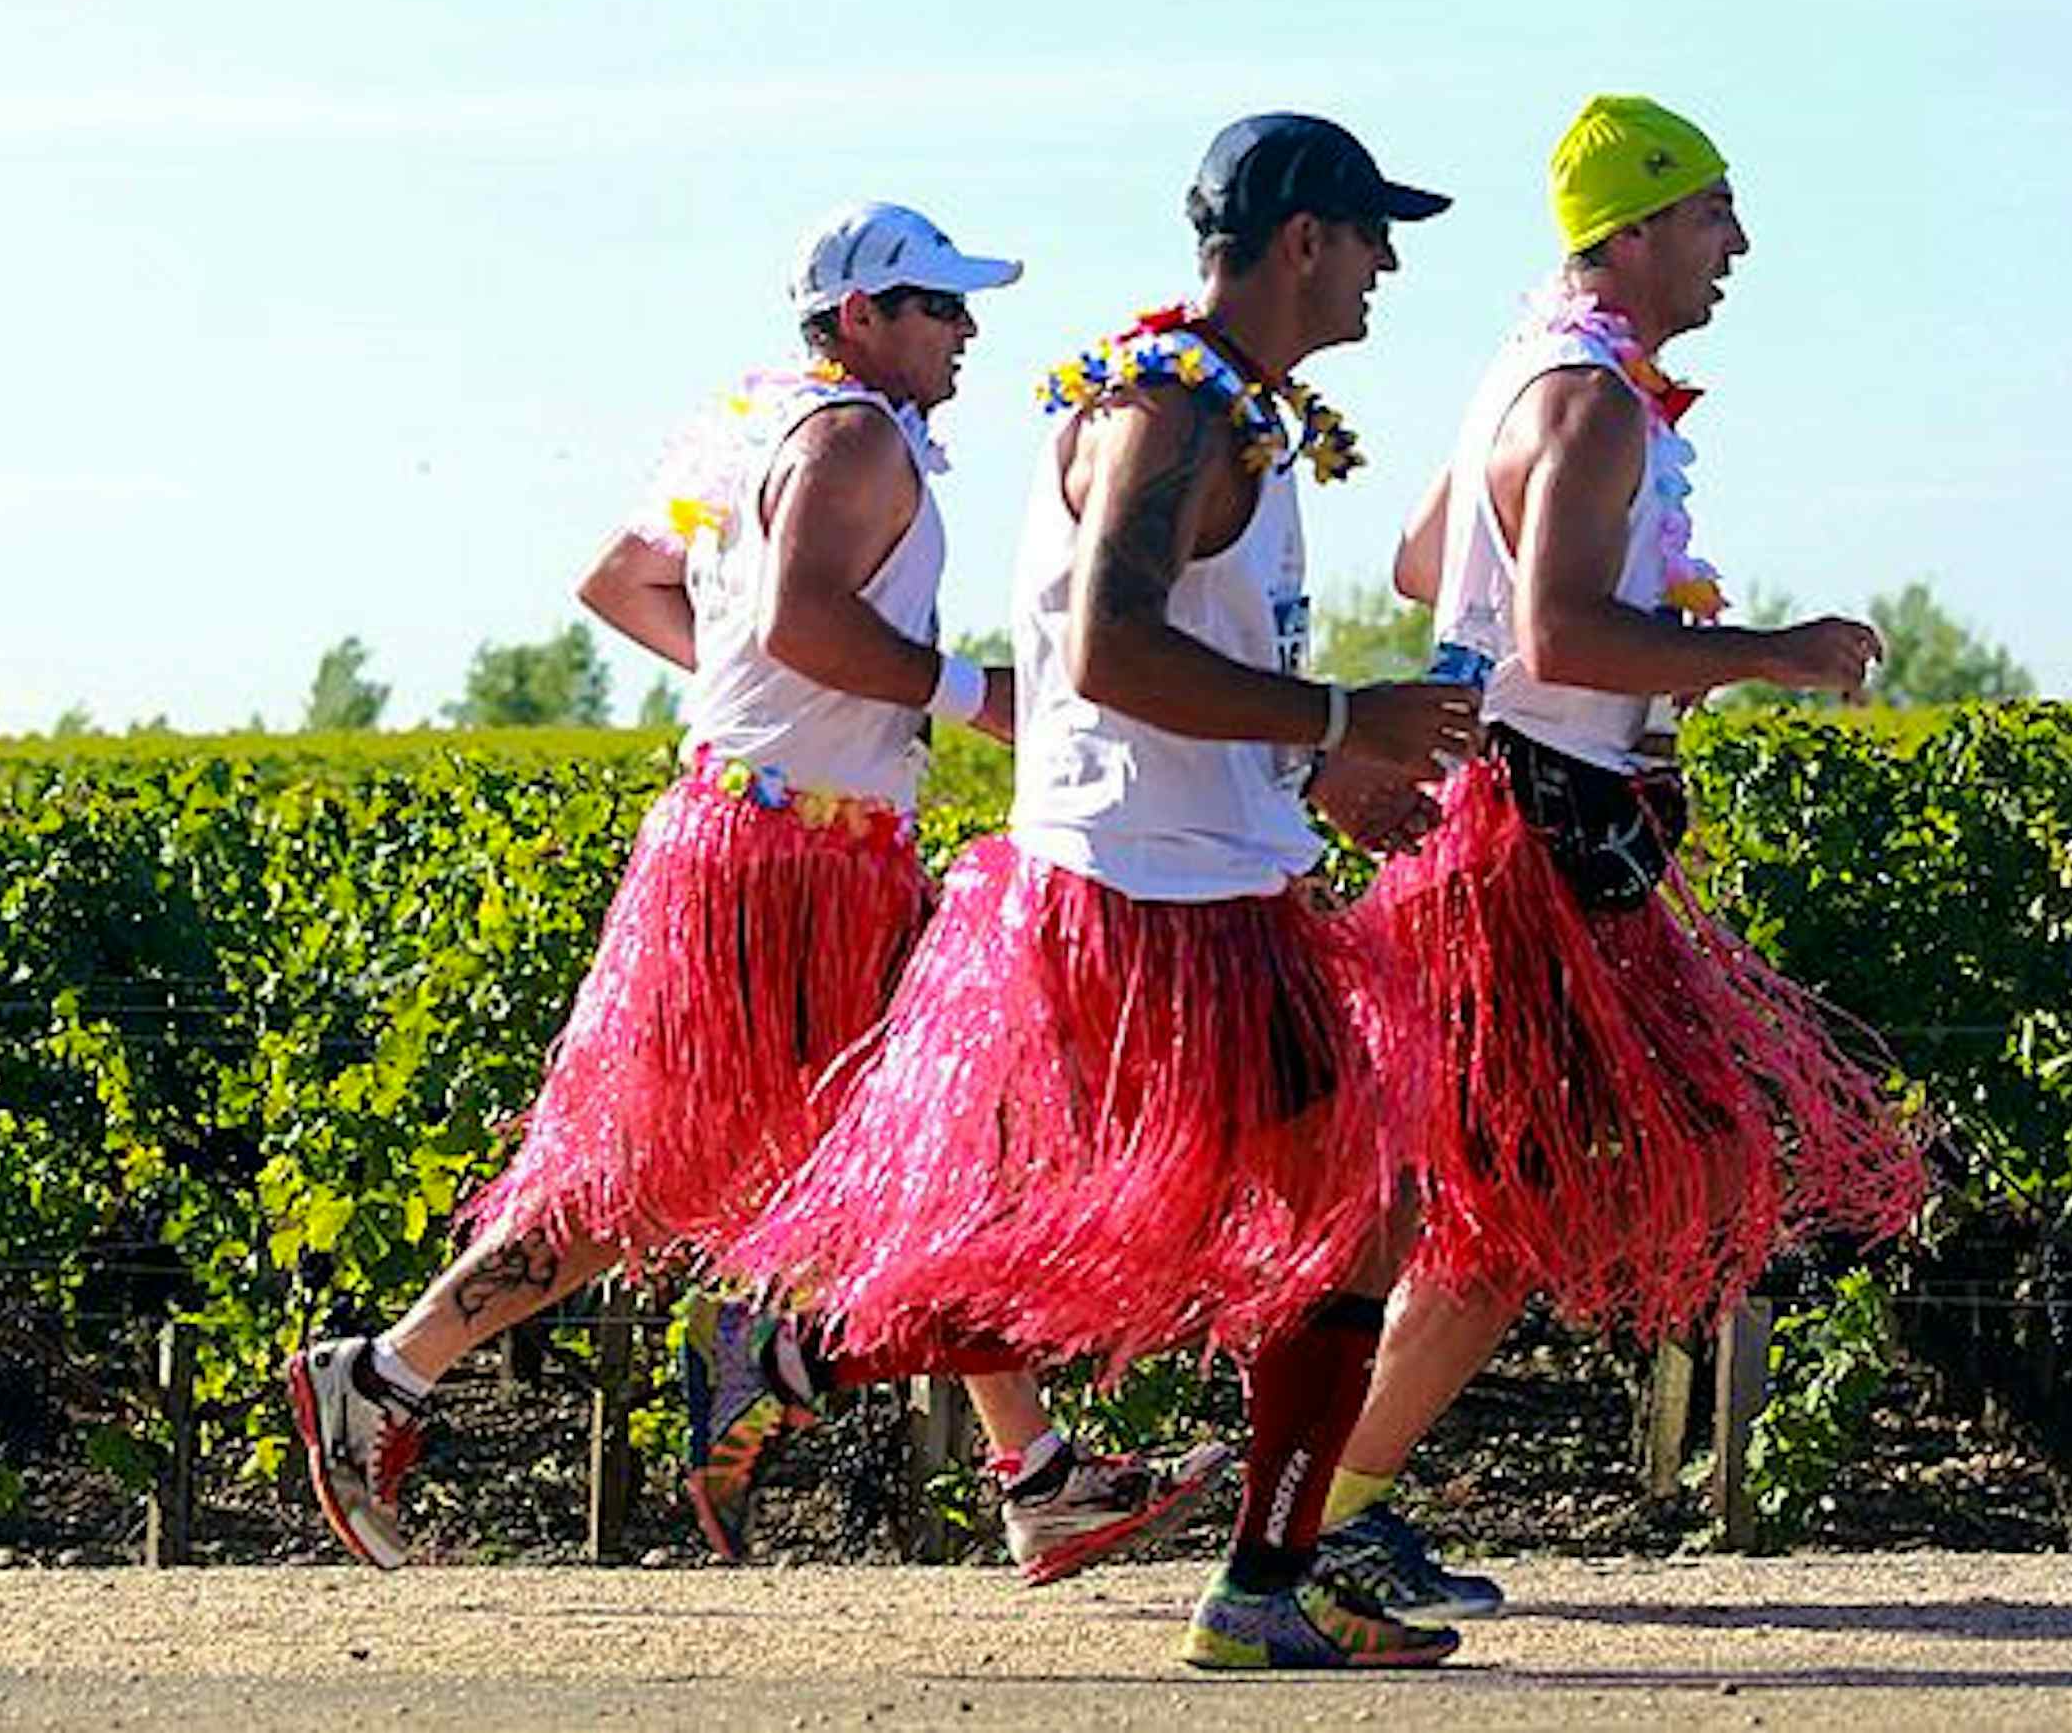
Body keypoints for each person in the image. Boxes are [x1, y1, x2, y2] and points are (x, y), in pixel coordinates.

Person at [284, 202, 1223, 1583]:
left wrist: (761, 700)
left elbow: (624, 582)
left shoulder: (761, 426)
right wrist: (967, 697)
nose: (966, 330)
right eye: (939, 306)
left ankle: (1034, 1474)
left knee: (773, 1163)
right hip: (790, 868)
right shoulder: (851, 436)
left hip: (765, 845)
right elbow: (795, 621)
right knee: (885, 1152)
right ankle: (404, 1369)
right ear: (862, 318)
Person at [725, 115, 1485, 1672]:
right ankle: (815, 1346)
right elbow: (1112, 655)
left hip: (1192, 884)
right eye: (1369, 236)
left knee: (1314, 1218)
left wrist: (1312, 769)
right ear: (1301, 241)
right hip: (1157, 906)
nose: (1383, 269)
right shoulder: (1169, 410)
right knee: (1341, 1214)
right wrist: (1341, 719)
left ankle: (1255, 1576)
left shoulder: (1215, 406)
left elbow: (1166, 670)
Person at [1308, 95, 1929, 1621]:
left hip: (1528, 818)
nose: (1738, 244)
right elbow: (1564, 631)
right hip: (1533, 836)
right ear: (1635, 230)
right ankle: (1317, 1518)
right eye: (1714, 212)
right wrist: (1765, 651)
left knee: (1494, 1205)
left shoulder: (1535, 379)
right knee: (1504, 1215)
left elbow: (1422, 561)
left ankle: (1317, 1506)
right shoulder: (1587, 401)